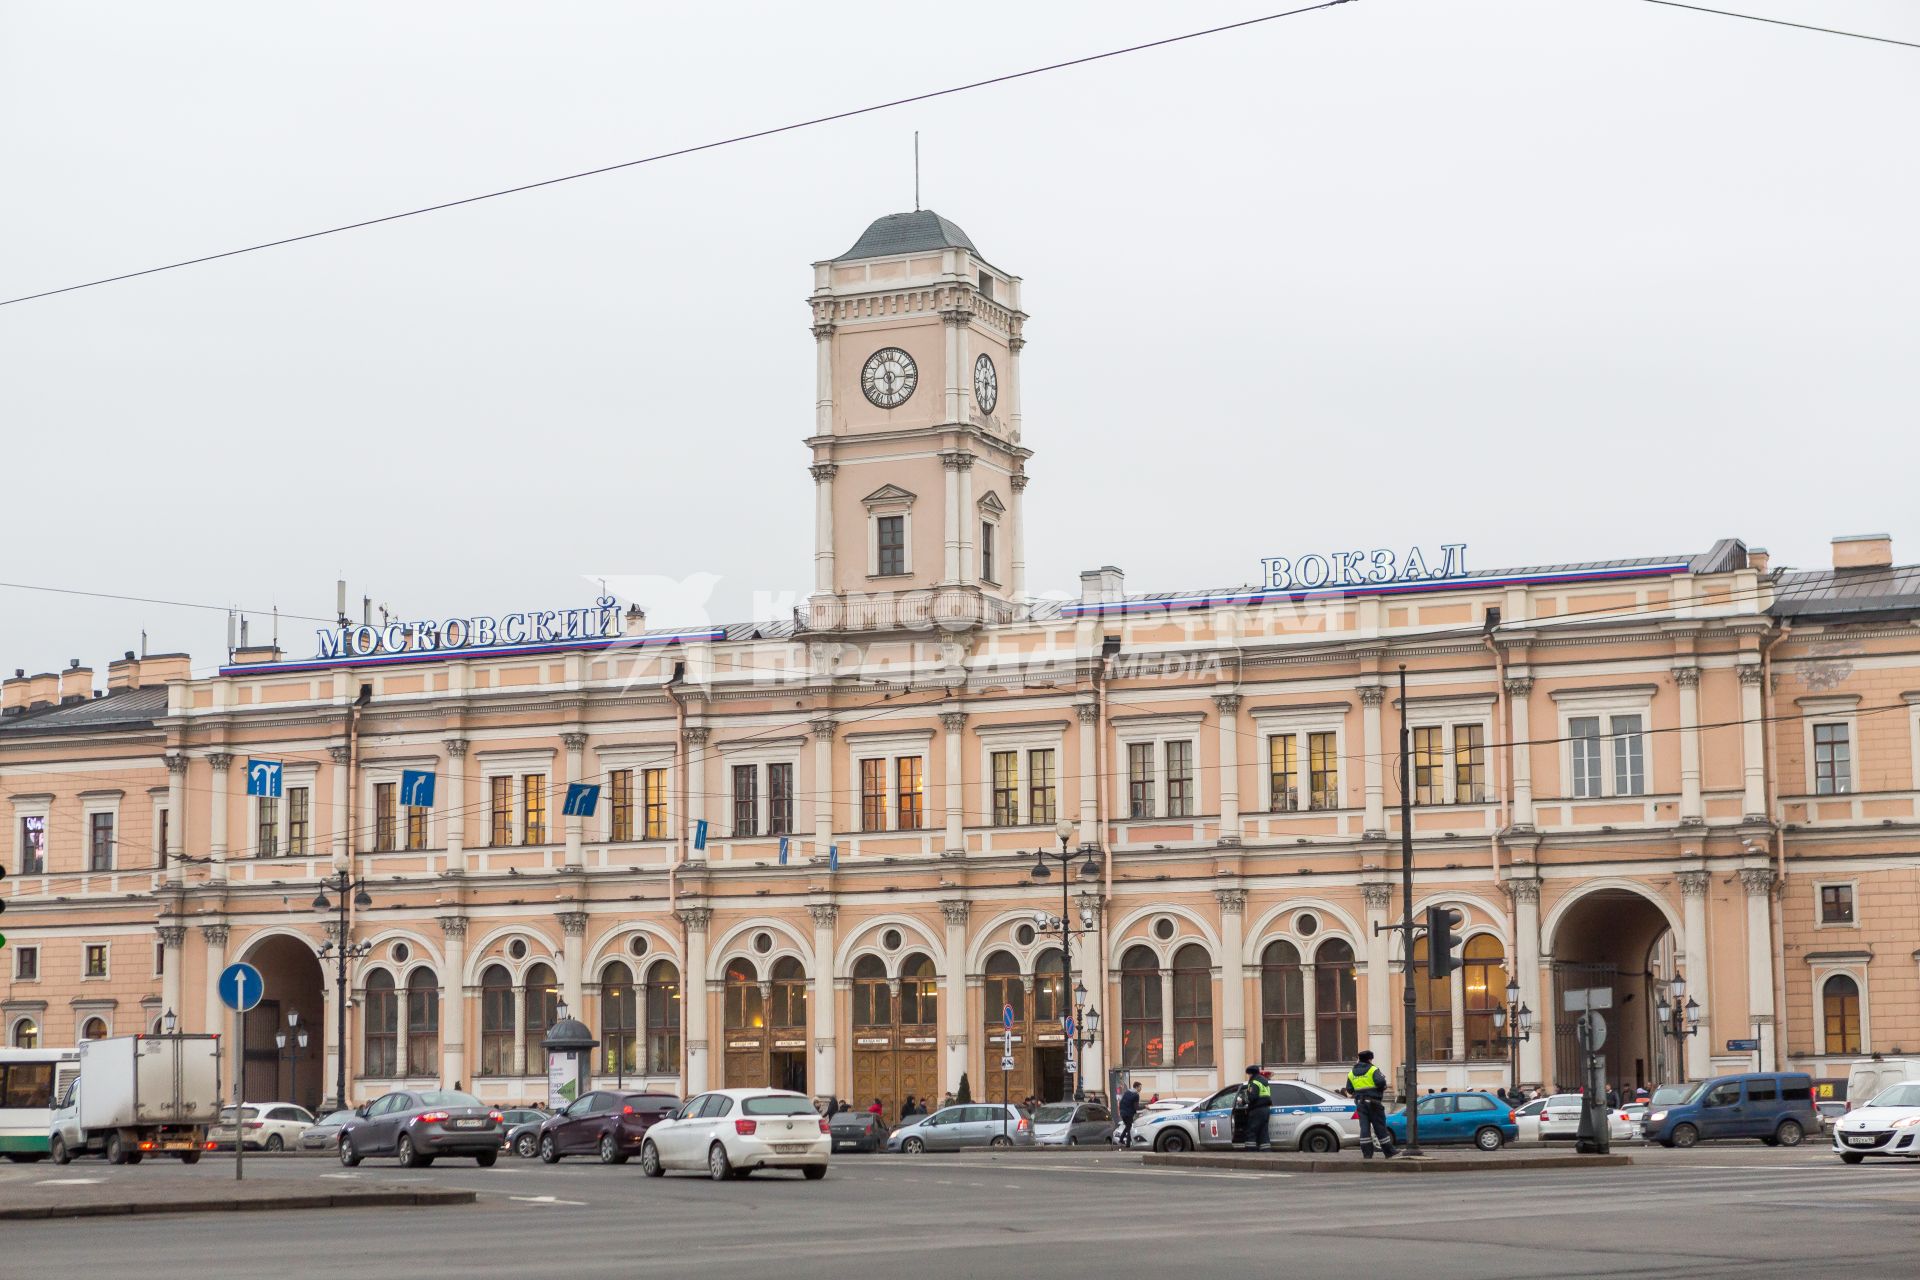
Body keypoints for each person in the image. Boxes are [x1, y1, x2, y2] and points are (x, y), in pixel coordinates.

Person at [1346, 1049, 1396, 1160]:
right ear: (1370, 1059)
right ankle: (1389, 1152)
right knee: (1380, 1127)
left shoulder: (1351, 1073)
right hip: (1374, 1103)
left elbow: (1349, 1089)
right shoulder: (1373, 1070)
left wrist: (1359, 1093)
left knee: (1364, 1128)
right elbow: (1381, 1082)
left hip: (1360, 1103)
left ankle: (1367, 1154)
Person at [1241, 1066, 1273, 1152]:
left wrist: (1243, 1101)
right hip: (1265, 1109)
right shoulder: (1264, 1081)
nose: (1248, 1076)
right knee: (1263, 1131)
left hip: (1256, 1109)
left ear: (1251, 1073)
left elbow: (1252, 1097)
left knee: (1251, 1130)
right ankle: (1266, 1151)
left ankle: (1251, 1151)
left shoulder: (1254, 1082)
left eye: (1248, 1074)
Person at [1117, 1080, 1142, 1149]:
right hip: (1129, 1113)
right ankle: (1128, 1145)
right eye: (1140, 1087)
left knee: (1128, 1127)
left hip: (1122, 1112)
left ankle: (1121, 1140)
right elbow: (1136, 1107)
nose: (1141, 1089)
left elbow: (1121, 1102)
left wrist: (1121, 1111)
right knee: (1129, 1128)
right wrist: (1144, 1106)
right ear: (1136, 1087)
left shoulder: (1127, 1092)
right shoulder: (1136, 1095)